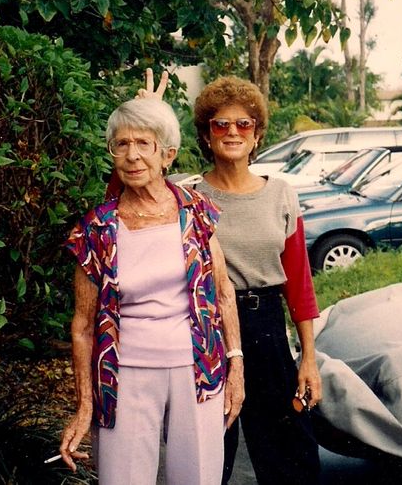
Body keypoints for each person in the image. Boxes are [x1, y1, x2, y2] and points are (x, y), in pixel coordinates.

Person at [137, 71, 323, 484]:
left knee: (290, 455)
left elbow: (300, 284)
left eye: (244, 124)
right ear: (206, 135)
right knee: (207, 456)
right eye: (221, 124)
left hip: (268, 328)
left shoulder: (281, 195)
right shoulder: (184, 196)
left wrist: (307, 357)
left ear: (257, 135)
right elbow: (126, 191)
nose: (233, 131)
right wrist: (147, 119)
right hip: (204, 328)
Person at [59, 95, 244, 485]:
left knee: (198, 477)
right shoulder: (96, 229)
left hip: (198, 369)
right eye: (121, 144)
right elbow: (82, 325)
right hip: (122, 375)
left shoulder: (195, 212)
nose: (132, 155)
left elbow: (224, 293)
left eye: (144, 143)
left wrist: (236, 365)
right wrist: (84, 405)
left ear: (167, 154)